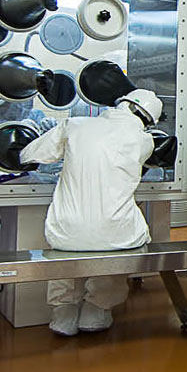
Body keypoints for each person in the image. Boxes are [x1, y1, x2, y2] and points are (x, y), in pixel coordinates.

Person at [20, 85, 163, 336]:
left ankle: (63, 314)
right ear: (148, 121)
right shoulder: (144, 140)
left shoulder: (76, 125)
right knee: (120, 240)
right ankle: (97, 310)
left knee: (67, 255)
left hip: (65, 232)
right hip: (118, 236)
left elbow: (30, 154)